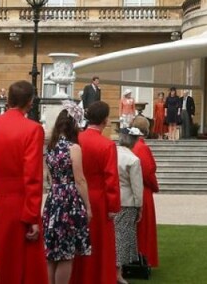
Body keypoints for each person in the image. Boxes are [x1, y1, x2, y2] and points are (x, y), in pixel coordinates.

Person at [0, 80, 48, 284]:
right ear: (30, 102)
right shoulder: (32, 129)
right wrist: (31, 217)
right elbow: (32, 176)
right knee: (16, 265)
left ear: (8, 99)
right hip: (17, 205)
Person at [71, 101, 120, 284]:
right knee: (99, 242)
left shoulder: (76, 139)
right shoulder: (106, 145)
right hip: (98, 198)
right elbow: (111, 179)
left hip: (76, 194)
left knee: (77, 239)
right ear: (105, 120)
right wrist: (113, 205)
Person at [43, 106, 92, 284]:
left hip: (53, 198)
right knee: (66, 253)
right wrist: (87, 205)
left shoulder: (50, 147)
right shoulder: (73, 148)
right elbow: (79, 179)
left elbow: (48, 176)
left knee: (52, 253)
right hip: (69, 199)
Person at [115, 127, 144, 284]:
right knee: (122, 237)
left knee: (114, 235)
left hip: (111, 197)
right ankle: (118, 273)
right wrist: (140, 206)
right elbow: (137, 186)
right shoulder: (133, 159)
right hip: (126, 200)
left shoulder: (112, 152)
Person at [130, 116, 159, 268]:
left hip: (133, 188)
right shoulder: (142, 147)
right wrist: (155, 186)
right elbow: (147, 172)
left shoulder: (132, 145)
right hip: (143, 190)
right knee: (144, 227)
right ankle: (144, 257)